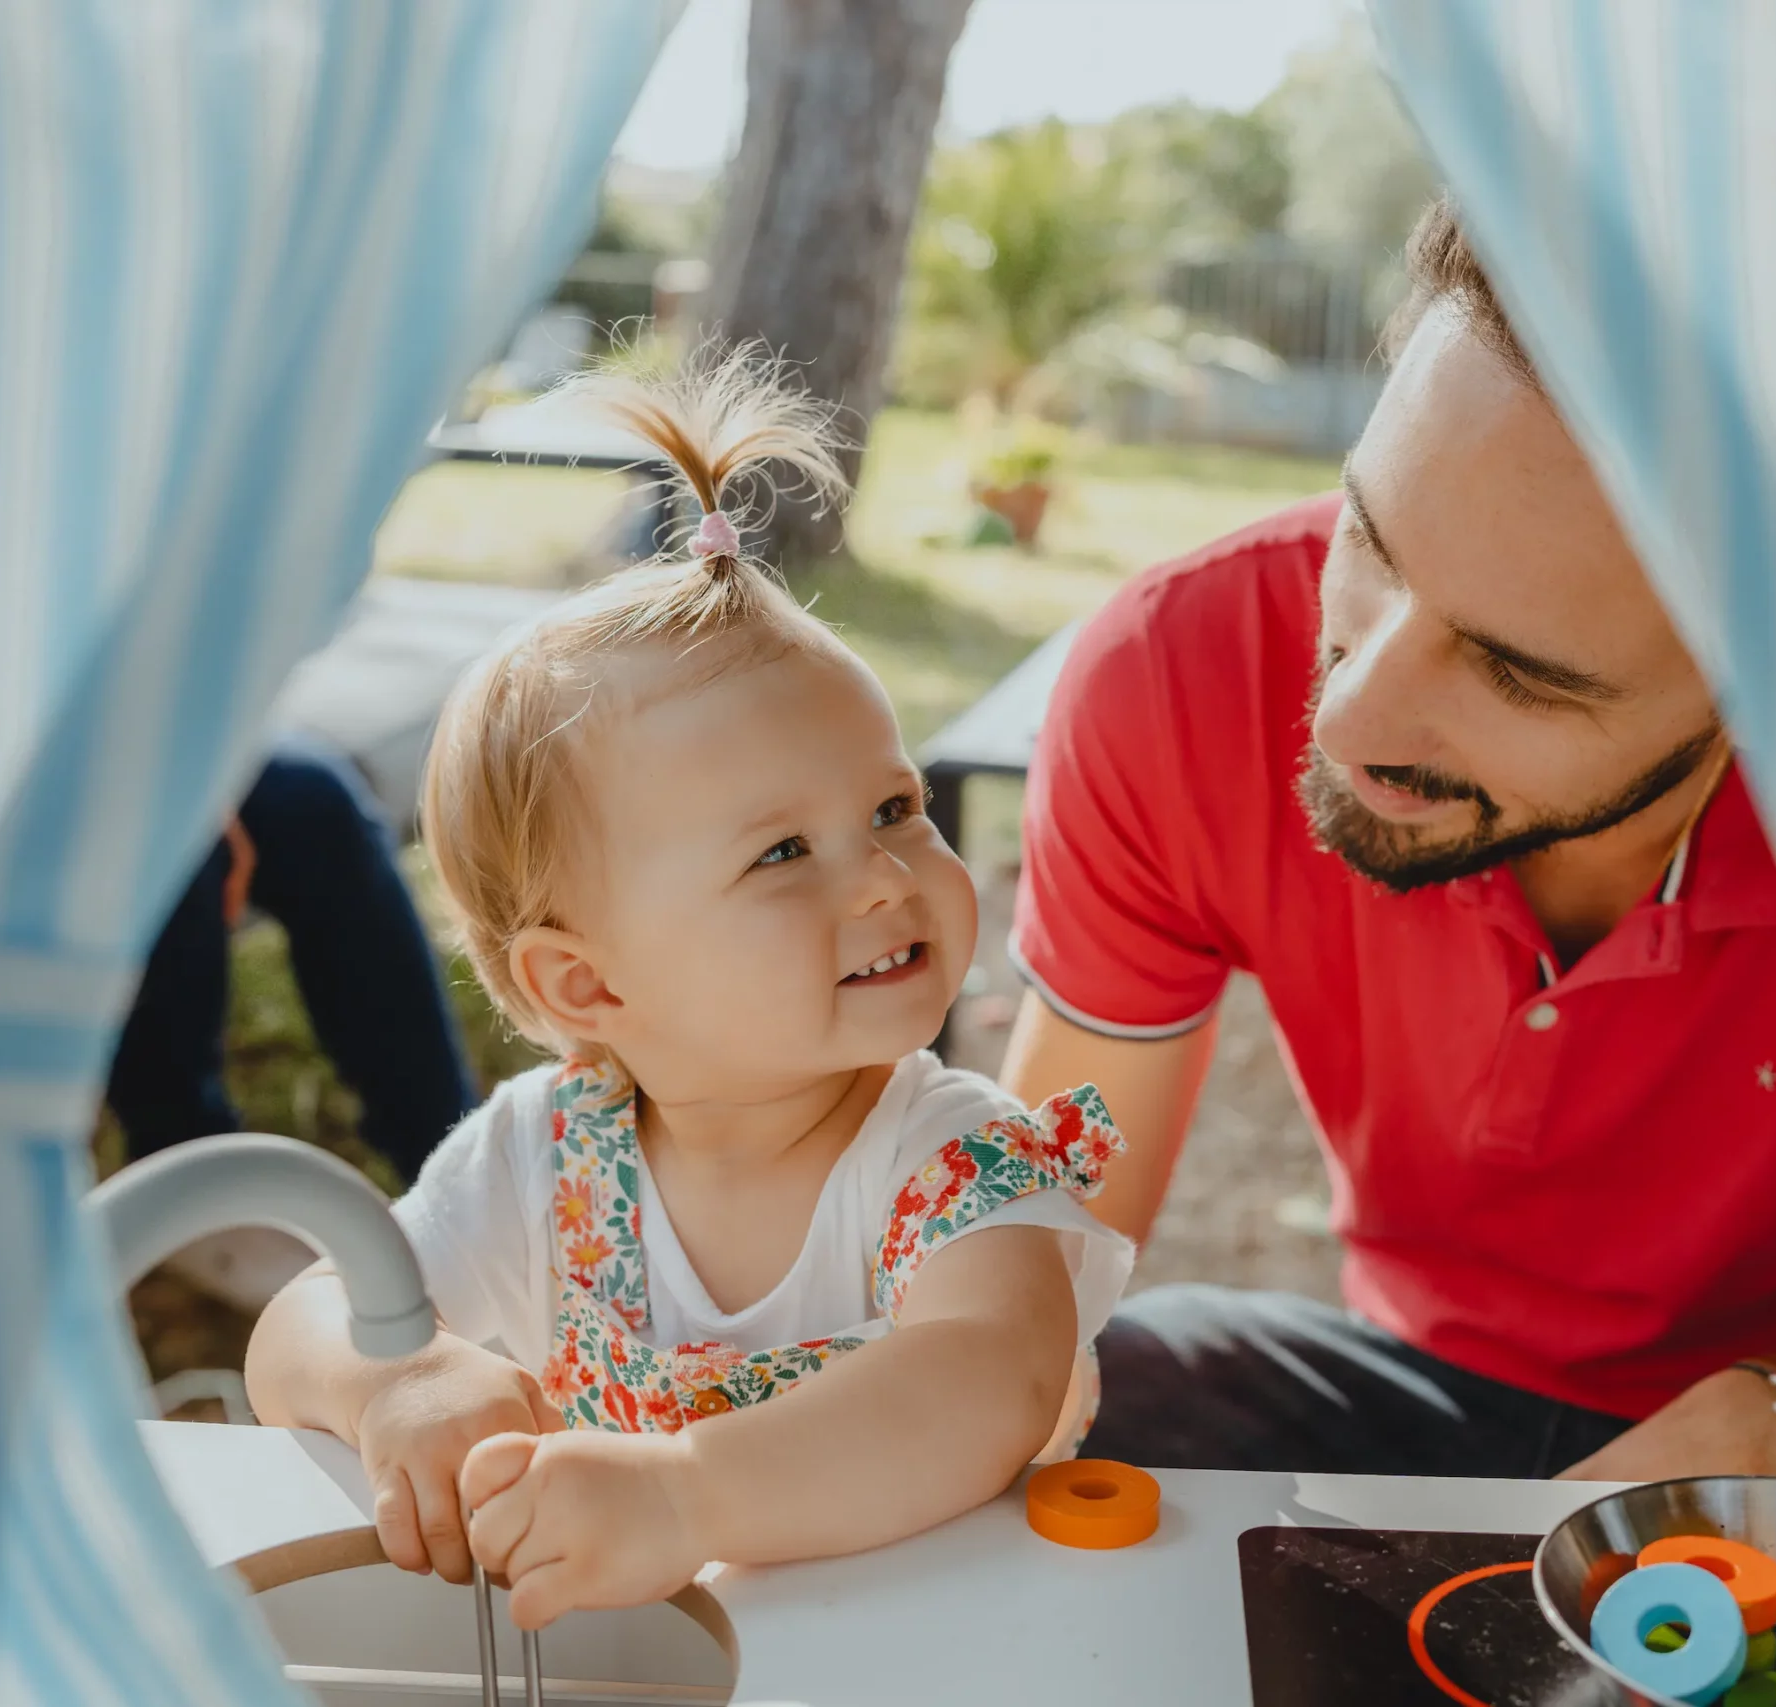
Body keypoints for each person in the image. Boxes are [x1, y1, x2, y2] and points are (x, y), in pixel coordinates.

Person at [999, 199, 1776, 1486]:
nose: (1349, 715)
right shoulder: (1174, 666)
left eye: (1518, 674)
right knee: (1127, 1373)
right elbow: (1035, 1241)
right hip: (1406, 1380)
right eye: (1369, 536)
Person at [243, 350, 1133, 1629]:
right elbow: (304, 1317)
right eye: (783, 853)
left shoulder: (954, 1158)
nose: (886, 878)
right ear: (586, 982)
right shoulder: (545, 1158)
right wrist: (397, 1384)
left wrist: (688, 1496)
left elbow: (984, 1378)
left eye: (893, 807)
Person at [105, 732, 476, 1182]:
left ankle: (454, 1160)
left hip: (135, 749)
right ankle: (194, 1179)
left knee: (315, 801)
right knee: (179, 859)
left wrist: (200, 785)